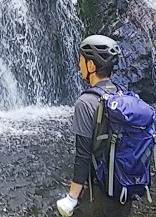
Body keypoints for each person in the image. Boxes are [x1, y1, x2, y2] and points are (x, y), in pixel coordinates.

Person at [56, 35, 136, 217]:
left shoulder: (86, 102)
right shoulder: (122, 96)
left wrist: (72, 198)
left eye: (81, 61)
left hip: (98, 195)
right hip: (123, 193)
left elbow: (83, 156)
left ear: (91, 66)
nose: (78, 66)